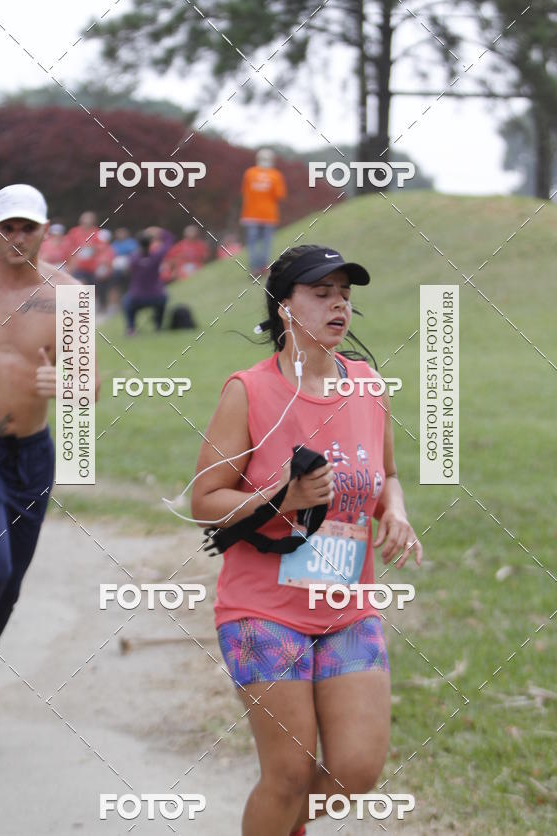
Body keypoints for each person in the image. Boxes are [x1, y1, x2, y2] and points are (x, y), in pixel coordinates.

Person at [190, 244, 422, 835]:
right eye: (321, 294)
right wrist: (281, 499)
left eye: (344, 294)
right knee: (289, 774)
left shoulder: (368, 385)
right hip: (261, 611)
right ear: (285, 308)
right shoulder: (249, 390)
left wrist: (395, 511)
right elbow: (204, 501)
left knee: (356, 771)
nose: (338, 304)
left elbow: (387, 474)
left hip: (347, 606)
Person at [0, 184, 100, 746]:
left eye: (28, 228)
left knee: (10, 583)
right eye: (6, 227)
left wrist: (65, 382)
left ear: (46, 231)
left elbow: (86, 387)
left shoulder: (70, 297)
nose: (17, 237)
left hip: (32, 453)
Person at [240, 148, 287, 279]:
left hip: (250, 214)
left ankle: (254, 269)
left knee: (253, 244)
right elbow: (279, 195)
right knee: (266, 243)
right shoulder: (276, 175)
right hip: (269, 215)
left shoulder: (249, 173)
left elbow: (245, 192)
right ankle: (263, 267)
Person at [122, 227, 174, 335]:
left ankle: (131, 327)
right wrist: (158, 231)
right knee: (164, 298)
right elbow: (169, 239)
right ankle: (158, 326)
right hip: (156, 296)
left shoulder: (133, 258)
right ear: (151, 243)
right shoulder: (156, 257)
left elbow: (126, 271)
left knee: (125, 301)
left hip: (136, 297)